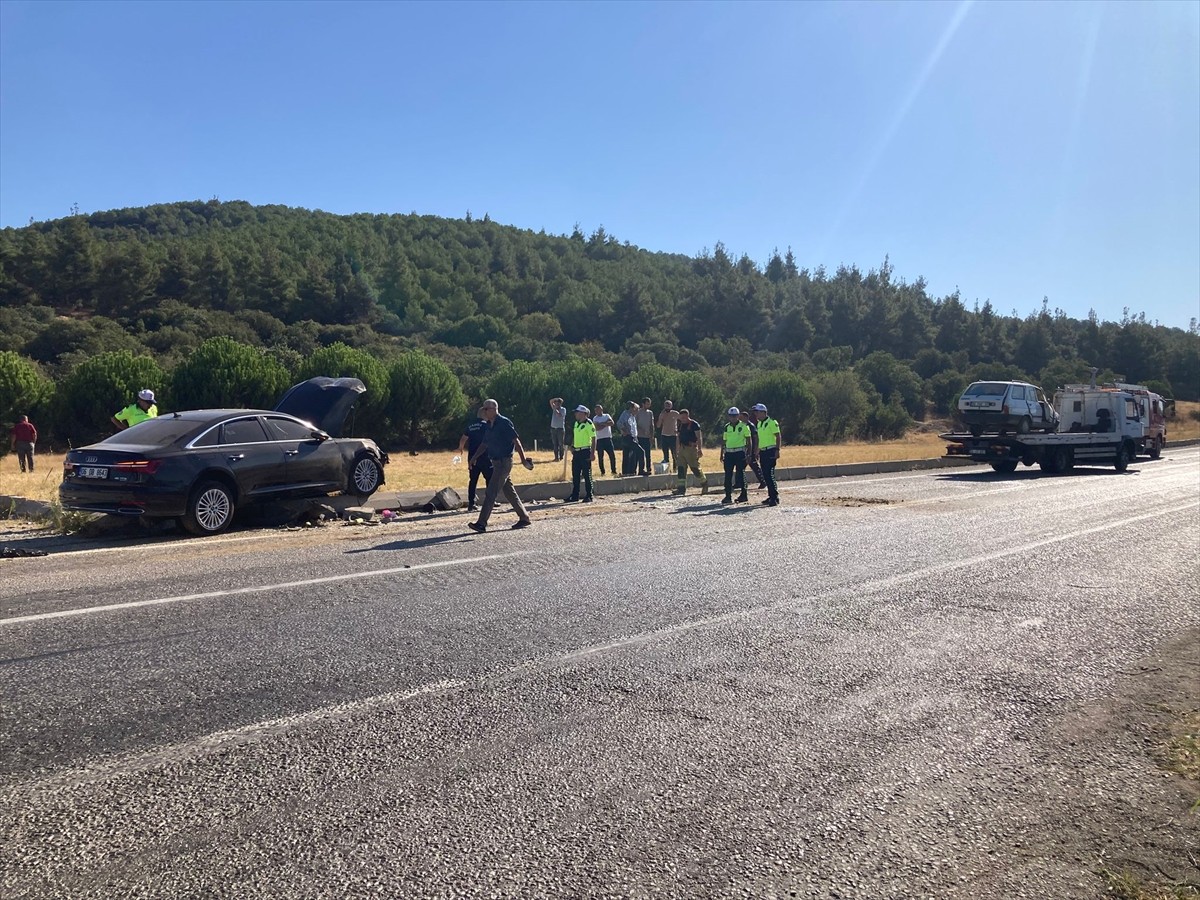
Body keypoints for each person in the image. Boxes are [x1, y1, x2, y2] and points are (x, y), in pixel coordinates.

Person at [467, 399, 533, 533]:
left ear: (494, 409)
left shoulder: (504, 422)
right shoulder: (488, 425)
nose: (484, 411)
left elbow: (516, 441)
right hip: (496, 463)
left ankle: (481, 523)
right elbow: (484, 444)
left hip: (504, 463)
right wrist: (473, 458)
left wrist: (523, 459)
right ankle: (524, 517)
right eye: (484, 409)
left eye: (486, 409)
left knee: (491, 492)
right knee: (509, 491)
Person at [456, 407, 492, 512]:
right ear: (485, 414)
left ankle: (471, 503)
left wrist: (460, 448)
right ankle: (490, 501)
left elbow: (463, 438)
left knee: (473, 480)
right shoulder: (486, 425)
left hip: (472, 457)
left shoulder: (471, 426)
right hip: (485, 456)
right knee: (489, 479)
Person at [565, 405, 597, 503]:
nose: (575, 414)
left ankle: (589, 494)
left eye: (577, 412)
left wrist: (592, 453)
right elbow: (575, 435)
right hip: (577, 451)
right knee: (575, 474)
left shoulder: (589, 424)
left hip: (585, 451)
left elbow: (594, 438)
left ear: (583, 413)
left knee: (587, 474)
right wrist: (572, 446)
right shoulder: (576, 423)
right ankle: (575, 495)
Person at [673, 408, 708, 496]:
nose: (683, 419)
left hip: (691, 449)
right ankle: (681, 489)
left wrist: (700, 449)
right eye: (681, 418)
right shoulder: (680, 424)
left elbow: (699, 437)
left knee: (695, 468)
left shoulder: (694, 424)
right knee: (681, 468)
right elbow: (678, 437)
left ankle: (704, 484)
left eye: (684, 417)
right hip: (682, 449)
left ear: (688, 416)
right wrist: (677, 449)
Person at [720, 406, 752, 505]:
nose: (733, 418)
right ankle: (728, 496)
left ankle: (744, 494)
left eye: (735, 416)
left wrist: (749, 454)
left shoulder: (744, 426)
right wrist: (722, 453)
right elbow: (724, 441)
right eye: (731, 416)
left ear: (738, 416)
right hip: (729, 453)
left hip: (740, 453)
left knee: (740, 474)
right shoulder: (726, 427)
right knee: (728, 475)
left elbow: (748, 440)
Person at [753, 403, 782, 506]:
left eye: (757, 412)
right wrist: (757, 451)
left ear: (763, 412)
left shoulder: (772, 423)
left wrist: (777, 450)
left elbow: (778, 436)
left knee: (769, 474)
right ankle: (771, 496)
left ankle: (774, 497)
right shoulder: (759, 424)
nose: (756, 414)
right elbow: (760, 439)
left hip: (770, 450)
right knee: (765, 475)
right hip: (763, 451)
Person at [616, 401, 645, 476]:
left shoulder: (632, 416)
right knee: (641, 452)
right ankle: (641, 470)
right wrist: (624, 430)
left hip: (633, 437)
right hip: (628, 438)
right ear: (632, 408)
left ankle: (629, 472)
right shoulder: (626, 414)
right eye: (637, 409)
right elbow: (619, 423)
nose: (637, 411)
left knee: (630, 455)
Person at [740, 409, 766, 490]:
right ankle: (739, 483)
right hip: (745, 449)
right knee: (741, 467)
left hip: (751, 449)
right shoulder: (742, 426)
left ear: (746, 417)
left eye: (741, 417)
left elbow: (755, 438)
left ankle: (763, 481)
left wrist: (755, 450)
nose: (740, 419)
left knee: (754, 466)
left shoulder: (751, 426)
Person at [592, 404, 617, 475]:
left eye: (598, 410)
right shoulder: (595, 418)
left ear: (601, 410)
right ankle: (602, 471)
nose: (596, 411)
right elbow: (597, 428)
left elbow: (612, 423)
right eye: (595, 410)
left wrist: (601, 424)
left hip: (608, 438)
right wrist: (606, 424)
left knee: (612, 455)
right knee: (600, 457)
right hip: (599, 439)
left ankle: (613, 470)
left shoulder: (607, 416)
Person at [657, 400, 679, 470]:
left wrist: (679, 430)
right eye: (666, 405)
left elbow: (682, 420)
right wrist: (661, 417)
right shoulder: (662, 414)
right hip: (664, 436)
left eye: (669, 405)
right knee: (665, 456)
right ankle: (666, 470)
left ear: (671, 406)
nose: (667, 407)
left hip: (673, 436)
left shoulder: (675, 413)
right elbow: (658, 425)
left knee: (675, 454)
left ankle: (676, 469)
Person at [635, 398, 655, 473]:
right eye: (647, 403)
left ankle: (649, 469)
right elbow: (635, 424)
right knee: (639, 454)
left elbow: (652, 424)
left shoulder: (650, 413)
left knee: (648, 454)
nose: (648, 405)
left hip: (647, 437)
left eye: (649, 403)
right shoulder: (638, 412)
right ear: (643, 404)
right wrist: (641, 430)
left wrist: (652, 435)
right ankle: (640, 469)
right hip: (639, 436)